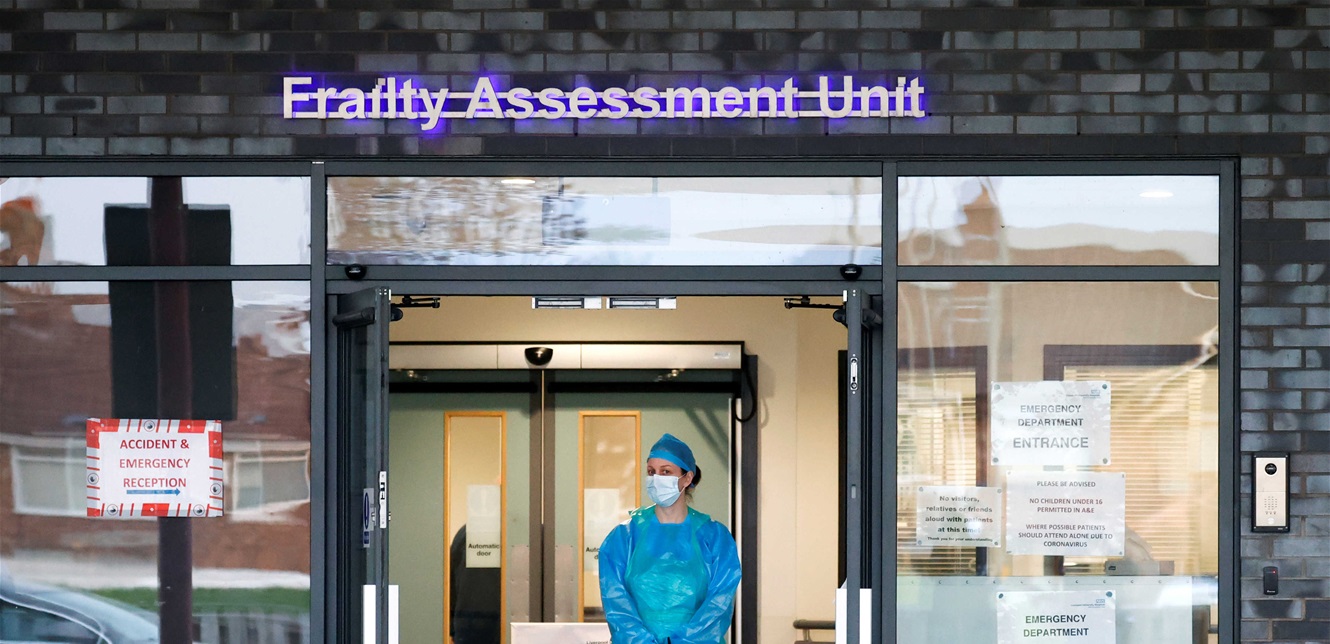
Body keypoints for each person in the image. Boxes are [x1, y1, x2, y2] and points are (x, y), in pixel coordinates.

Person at [598, 433, 742, 644]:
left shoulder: (714, 538)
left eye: (665, 471)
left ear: (687, 478)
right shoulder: (623, 538)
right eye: (651, 472)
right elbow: (616, 603)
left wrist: (682, 641)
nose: (656, 478)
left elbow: (719, 604)